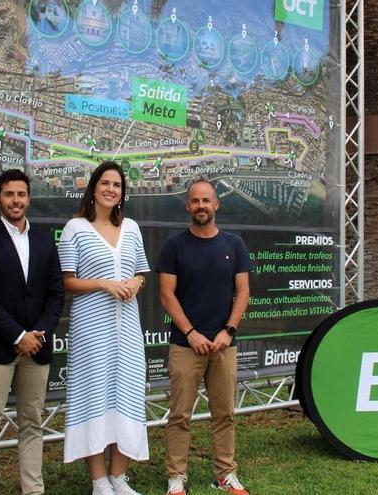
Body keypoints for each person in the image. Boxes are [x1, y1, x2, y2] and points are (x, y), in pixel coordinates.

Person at [0, 169, 64, 495]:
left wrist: (38, 334)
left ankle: (33, 490)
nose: (15, 200)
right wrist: (18, 336)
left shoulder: (44, 240)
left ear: (29, 198)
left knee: (32, 424)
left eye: (21, 194)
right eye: (9, 194)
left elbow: (56, 294)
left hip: (37, 348)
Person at [58, 161, 150, 495]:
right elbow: (67, 281)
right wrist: (103, 284)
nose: (111, 189)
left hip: (127, 331)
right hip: (91, 331)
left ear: (122, 193)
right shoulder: (74, 229)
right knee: (92, 396)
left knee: (127, 395)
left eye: (117, 185)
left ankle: (118, 478)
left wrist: (135, 284)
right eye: (105, 183)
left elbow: (141, 273)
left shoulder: (133, 228)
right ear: (93, 187)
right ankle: (99, 481)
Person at [157, 179, 252, 495]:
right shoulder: (174, 246)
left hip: (224, 345)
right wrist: (191, 333)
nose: (201, 206)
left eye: (206, 201)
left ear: (216, 204)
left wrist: (228, 331)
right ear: (187, 206)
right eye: (195, 201)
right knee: (179, 415)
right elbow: (167, 295)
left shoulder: (234, 245)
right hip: (186, 345)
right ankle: (176, 477)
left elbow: (243, 293)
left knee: (224, 414)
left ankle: (225, 474)